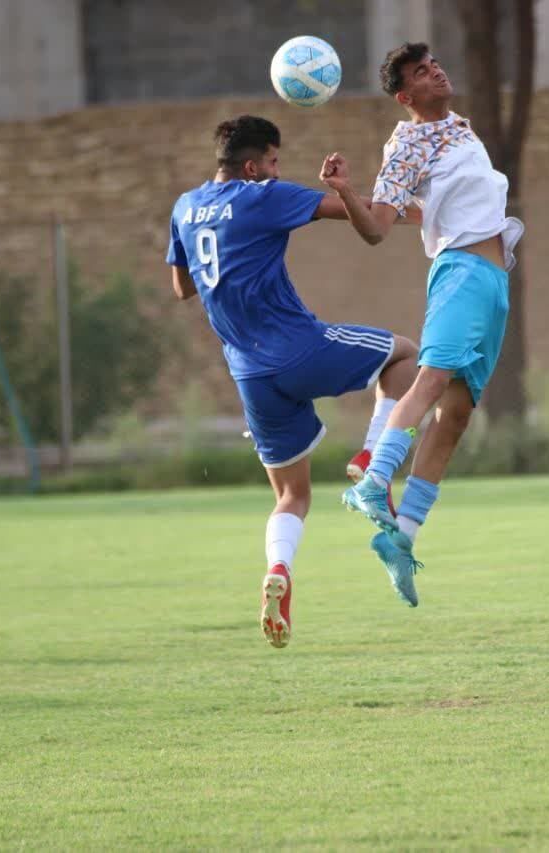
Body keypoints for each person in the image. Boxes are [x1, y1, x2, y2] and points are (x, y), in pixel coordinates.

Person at [166, 115, 419, 649]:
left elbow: (182, 287)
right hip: (299, 348)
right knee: (404, 356)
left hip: (249, 375)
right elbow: (364, 218)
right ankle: (373, 457)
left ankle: (279, 568)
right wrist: (419, 212)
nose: (278, 171)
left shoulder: (185, 208)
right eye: (275, 162)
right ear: (254, 165)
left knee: (292, 495)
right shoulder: (263, 195)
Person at [319, 42, 524, 608]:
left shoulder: (458, 126)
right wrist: (344, 194)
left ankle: (402, 542)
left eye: (434, 64)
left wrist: (398, 204)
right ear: (406, 96)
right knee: (430, 379)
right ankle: (371, 481)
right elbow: (379, 225)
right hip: (459, 271)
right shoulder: (407, 141)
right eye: (422, 73)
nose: (436, 71)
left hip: (492, 280)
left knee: (455, 415)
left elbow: (417, 210)